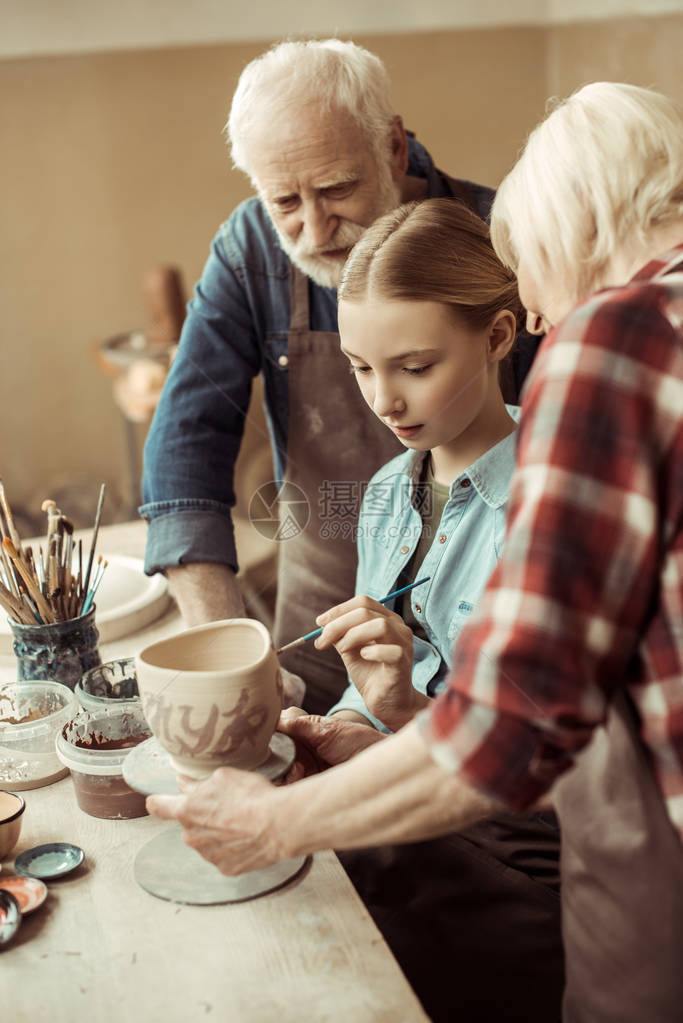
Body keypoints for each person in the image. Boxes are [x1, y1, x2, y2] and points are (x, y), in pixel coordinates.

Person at [148, 81, 683, 1022]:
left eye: (540, 292)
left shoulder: (619, 332)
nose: (551, 326)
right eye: (363, 368)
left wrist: (271, 822)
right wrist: (376, 711)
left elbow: (515, 725)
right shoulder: (392, 491)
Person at [140, 38, 539, 714]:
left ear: (390, 146)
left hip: (491, 667)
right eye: (284, 202)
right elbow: (185, 450)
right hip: (327, 635)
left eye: (335, 189)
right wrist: (229, 658)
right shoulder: (252, 248)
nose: (314, 229)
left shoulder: (502, 241)